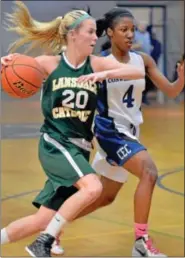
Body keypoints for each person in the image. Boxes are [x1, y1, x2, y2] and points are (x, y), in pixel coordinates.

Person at [0, 2, 144, 257]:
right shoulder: (47, 64)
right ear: (72, 34)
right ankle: (43, 242)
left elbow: (136, 72)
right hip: (56, 142)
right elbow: (14, 70)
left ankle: (31, 235)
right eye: (89, 31)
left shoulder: (96, 64)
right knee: (94, 188)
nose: (94, 36)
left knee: (41, 219)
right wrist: (6, 63)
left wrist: (104, 75)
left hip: (80, 148)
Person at [55, 7, 184, 257]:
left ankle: (53, 226)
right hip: (109, 131)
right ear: (111, 33)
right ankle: (141, 242)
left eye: (133, 30)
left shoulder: (143, 60)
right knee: (149, 172)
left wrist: (181, 79)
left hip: (130, 132)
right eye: (124, 30)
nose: (130, 35)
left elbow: (170, 91)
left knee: (103, 198)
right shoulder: (98, 62)